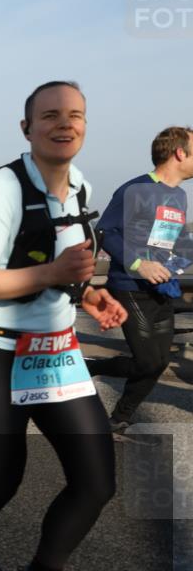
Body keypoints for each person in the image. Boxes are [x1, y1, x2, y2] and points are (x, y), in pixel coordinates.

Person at [0, 81, 128, 571]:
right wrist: (52, 274)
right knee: (1, 480)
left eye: (76, 115)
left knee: (96, 482)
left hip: (57, 353)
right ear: (27, 128)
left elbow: (62, 269)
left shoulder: (80, 186)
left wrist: (89, 296)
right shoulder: (5, 187)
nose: (66, 124)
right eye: (51, 115)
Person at [85, 126, 193, 437]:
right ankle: (91, 367)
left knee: (157, 363)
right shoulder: (135, 189)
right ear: (179, 153)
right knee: (147, 362)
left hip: (161, 289)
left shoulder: (179, 196)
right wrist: (138, 264)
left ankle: (119, 418)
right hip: (130, 286)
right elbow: (105, 231)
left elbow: (169, 242)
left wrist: (177, 262)